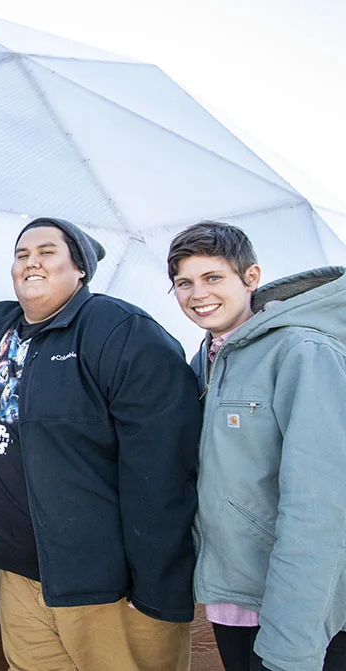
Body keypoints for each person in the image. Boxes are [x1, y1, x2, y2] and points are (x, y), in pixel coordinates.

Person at [0, 217, 201, 671]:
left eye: (47, 252)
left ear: (80, 269)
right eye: (22, 255)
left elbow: (164, 470)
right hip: (20, 576)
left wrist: (155, 585)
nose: (31, 262)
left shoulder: (121, 333)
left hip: (107, 586)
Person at [167, 221, 346, 671]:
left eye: (213, 278)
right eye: (184, 283)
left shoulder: (302, 352)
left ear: (251, 278)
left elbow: (320, 506)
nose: (197, 294)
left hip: (302, 610)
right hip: (235, 598)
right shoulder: (207, 359)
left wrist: (293, 641)